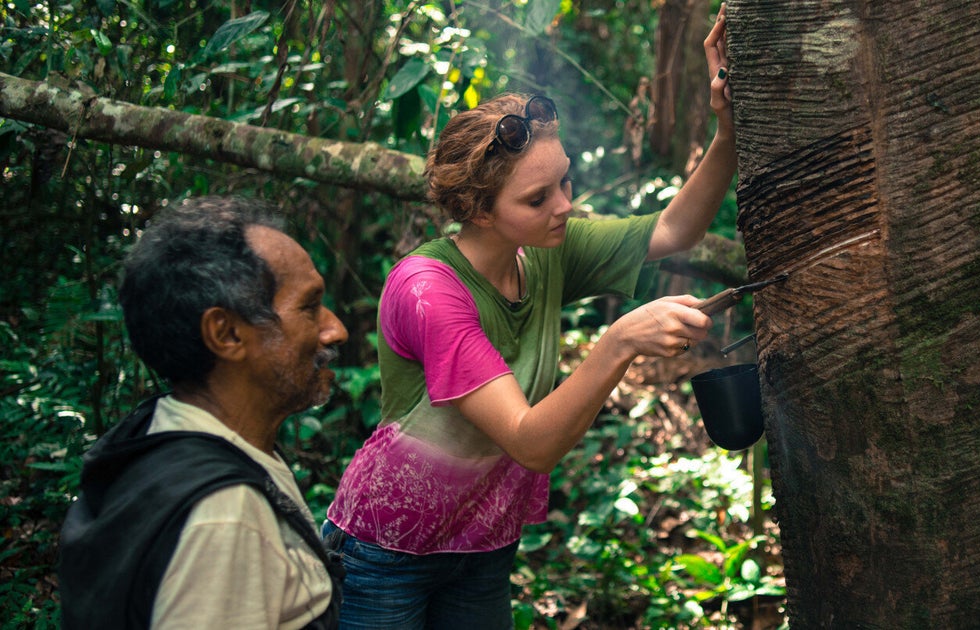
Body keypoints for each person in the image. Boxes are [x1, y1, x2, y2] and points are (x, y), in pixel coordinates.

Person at [322, 5, 734, 628]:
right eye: (538, 198)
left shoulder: (543, 250)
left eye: (564, 183)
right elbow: (530, 441)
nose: (565, 207)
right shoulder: (428, 289)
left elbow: (675, 228)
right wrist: (620, 340)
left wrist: (727, 131)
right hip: (387, 549)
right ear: (477, 209)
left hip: (483, 541)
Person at [58, 196, 349, 629]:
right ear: (227, 333)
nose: (336, 329)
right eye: (309, 307)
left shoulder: (160, 429)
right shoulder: (224, 520)